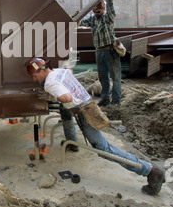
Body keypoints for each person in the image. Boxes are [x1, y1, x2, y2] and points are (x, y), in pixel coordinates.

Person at [26, 57, 165, 196]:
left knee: (103, 149)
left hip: (84, 112)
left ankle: (150, 171)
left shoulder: (49, 83)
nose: (34, 79)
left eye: (34, 75)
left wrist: (54, 97)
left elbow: (67, 98)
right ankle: (72, 142)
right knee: (65, 110)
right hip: (88, 104)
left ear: (42, 71)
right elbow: (70, 70)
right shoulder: (60, 71)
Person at [79, 0, 121, 107]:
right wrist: (75, 19)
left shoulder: (108, 18)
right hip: (99, 51)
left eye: (98, 11)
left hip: (110, 50)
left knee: (115, 77)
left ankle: (116, 101)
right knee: (103, 77)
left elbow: (111, 9)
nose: (96, 13)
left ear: (103, 9)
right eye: (95, 11)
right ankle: (105, 98)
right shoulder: (93, 20)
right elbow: (81, 22)